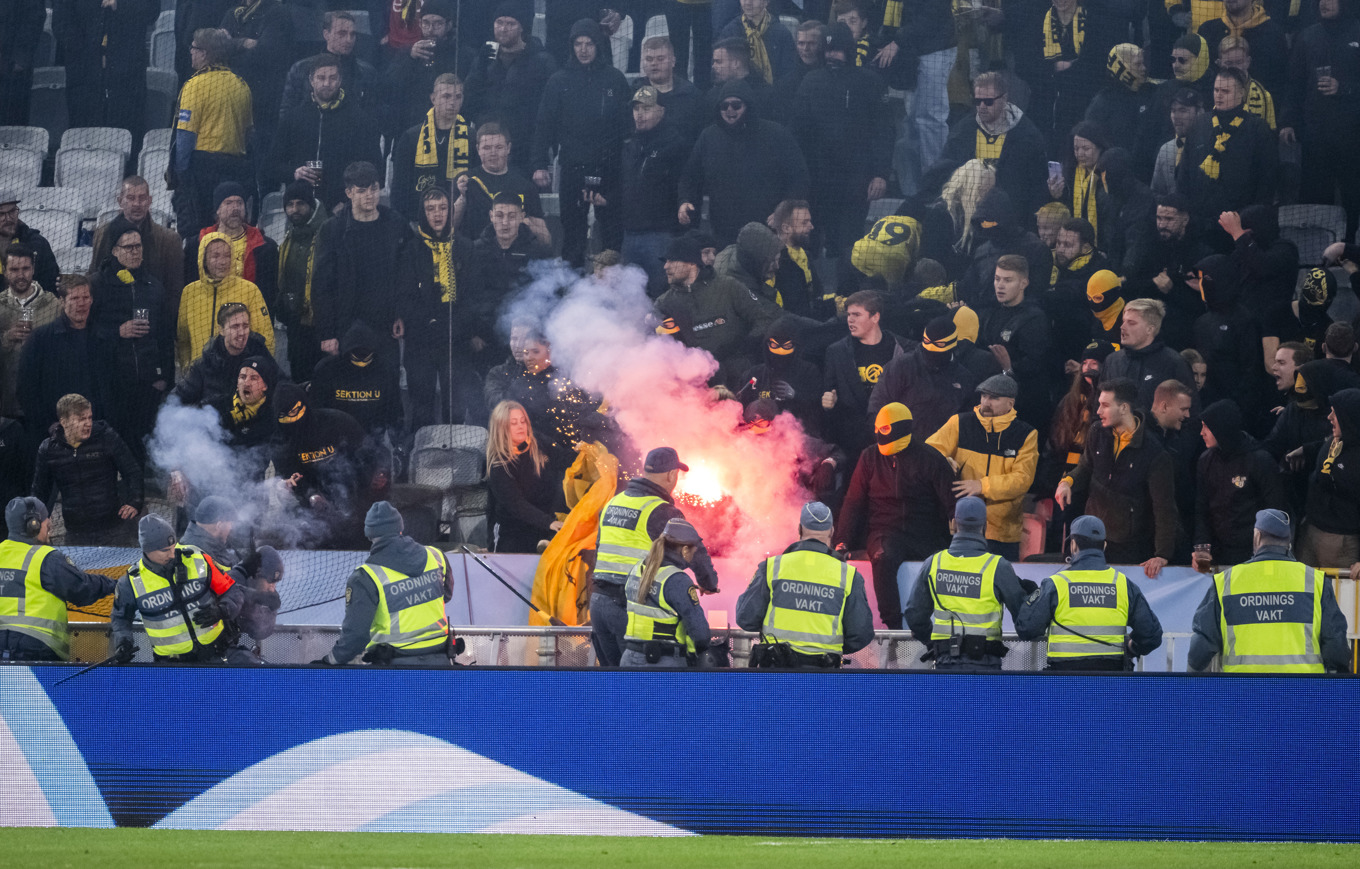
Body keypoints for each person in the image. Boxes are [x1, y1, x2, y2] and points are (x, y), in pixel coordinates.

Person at [591, 446, 720, 667]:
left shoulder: (613, 502)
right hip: (629, 607)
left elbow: (598, 550)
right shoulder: (660, 510)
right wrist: (708, 582)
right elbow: (694, 549)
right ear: (671, 475)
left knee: (614, 682)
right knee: (644, 684)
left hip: (598, 605)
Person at [835, 402, 956, 629]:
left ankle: (937, 625)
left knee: (943, 565)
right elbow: (853, 502)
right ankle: (894, 629)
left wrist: (959, 536)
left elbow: (952, 502)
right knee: (883, 558)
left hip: (925, 532)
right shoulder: (869, 457)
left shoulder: (930, 458)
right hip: (885, 531)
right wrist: (842, 541)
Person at [1188, 508, 1349, 673]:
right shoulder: (1315, 581)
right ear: (1289, 542)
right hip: (1303, 685)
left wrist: (1191, 674)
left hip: (1242, 686)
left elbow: (1201, 648)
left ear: (1257, 536)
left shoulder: (1226, 581)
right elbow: (1335, 643)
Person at [532, 18, 632, 268]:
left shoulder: (615, 80)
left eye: (589, 44)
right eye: (578, 44)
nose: (583, 49)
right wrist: (539, 164)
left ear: (598, 45)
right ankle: (572, 284)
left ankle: (613, 283)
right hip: (573, 169)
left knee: (612, 234)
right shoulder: (559, 81)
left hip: (610, 170)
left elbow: (627, 127)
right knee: (573, 234)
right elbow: (544, 125)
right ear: (571, 46)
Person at [1056, 378, 1178, 576]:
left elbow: (1164, 507)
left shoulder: (1154, 452)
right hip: (1091, 536)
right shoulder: (1096, 432)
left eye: (1105, 405)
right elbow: (1085, 467)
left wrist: (1162, 554)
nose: (1098, 411)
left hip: (1128, 545)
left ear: (1123, 408)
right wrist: (1067, 482)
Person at [791, 22, 891, 261]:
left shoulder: (870, 82)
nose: (831, 56)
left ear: (848, 50)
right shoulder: (810, 82)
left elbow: (885, 132)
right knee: (810, 242)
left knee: (848, 244)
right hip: (818, 179)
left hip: (856, 180)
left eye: (836, 50)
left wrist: (880, 174)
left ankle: (847, 284)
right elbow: (797, 132)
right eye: (827, 51)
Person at [1016, 515, 1164, 671]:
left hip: (1064, 679)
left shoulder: (1056, 584)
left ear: (1073, 545)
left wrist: (1030, 599)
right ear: (1104, 546)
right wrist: (1131, 649)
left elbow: (1026, 628)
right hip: (1112, 678)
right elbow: (1151, 635)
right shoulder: (1123, 584)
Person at [737, 501, 874, 667]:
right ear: (831, 531)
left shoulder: (772, 567)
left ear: (800, 529)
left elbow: (746, 618)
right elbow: (860, 634)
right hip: (824, 672)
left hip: (777, 670)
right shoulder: (849, 575)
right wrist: (830, 649)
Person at [316, 501, 454, 666]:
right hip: (441, 665)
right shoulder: (436, 556)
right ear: (400, 529)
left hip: (392, 671)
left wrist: (330, 660)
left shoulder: (365, 577)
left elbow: (356, 637)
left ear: (369, 535)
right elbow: (446, 596)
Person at [678, 80, 810, 246]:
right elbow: (690, 177)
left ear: (748, 105)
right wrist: (685, 200)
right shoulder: (708, 137)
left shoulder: (776, 135)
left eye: (736, 105)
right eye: (724, 106)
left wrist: (784, 211)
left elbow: (799, 177)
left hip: (769, 232)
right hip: (724, 234)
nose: (730, 110)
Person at [904, 495, 1027, 670]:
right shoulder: (998, 567)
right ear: (985, 526)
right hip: (986, 667)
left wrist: (934, 643)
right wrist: (1032, 598)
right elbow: (1024, 622)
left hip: (945, 664)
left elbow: (914, 616)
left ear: (953, 524)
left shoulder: (934, 563)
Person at [926, 375, 1039, 561]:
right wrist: (945, 461)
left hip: (1001, 533)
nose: (986, 402)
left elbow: (1022, 479)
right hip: (960, 528)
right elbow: (928, 454)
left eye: (994, 398)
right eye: (984, 396)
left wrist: (982, 486)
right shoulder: (959, 422)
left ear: (1010, 403)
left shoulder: (1026, 434)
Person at [109, 514, 248, 665]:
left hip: (218, 655)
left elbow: (233, 591)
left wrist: (222, 610)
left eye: (173, 547)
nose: (172, 554)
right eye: (165, 550)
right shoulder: (131, 582)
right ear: (147, 549)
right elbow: (121, 618)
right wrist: (123, 642)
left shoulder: (197, 559)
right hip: (172, 666)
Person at [312, 161, 414, 364]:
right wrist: (327, 333)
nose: (370, 195)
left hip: (385, 325)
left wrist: (401, 313)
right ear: (349, 193)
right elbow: (322, 285)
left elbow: (407, 274)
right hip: (346, 326)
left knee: (387, 381)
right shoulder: (332, 230)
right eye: (361, 190)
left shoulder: (396, 224)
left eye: (374, 189)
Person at [90, 221, 173, 461]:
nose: (135, 252)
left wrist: (164, 377)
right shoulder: (97, 285)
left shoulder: (154, 286)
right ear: (114, 251)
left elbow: (165, 336)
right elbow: (88, 330)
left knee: (142, 446)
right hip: (112, 382)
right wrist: (118, 331)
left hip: (147, 383)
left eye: (138, 246)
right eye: (128, 247)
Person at [0, 495, 119, 661]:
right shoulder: (45, 557)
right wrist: (114, 584)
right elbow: (82, 589)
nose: (49, 524)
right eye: (45, 521)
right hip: (36, 646)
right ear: (33, 525)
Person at [402, 186, 483, 428]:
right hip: (420, 340)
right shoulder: (410, 250)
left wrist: (455, 327)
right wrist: (428, 323)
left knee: (455, 406)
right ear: (422, 212)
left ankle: (456, 451)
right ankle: (421, 449)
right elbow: (404, 296)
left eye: (443, 208)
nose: (437, 214)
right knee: (421, 405)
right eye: (430, 209)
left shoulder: (466, 247)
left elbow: (473, 296)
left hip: (455, 339)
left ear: (450, 211)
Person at [653, 233, 780, 387]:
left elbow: (763, 320)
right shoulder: (664, 303)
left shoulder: (729, 287)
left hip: (737, 376)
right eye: (666, 261)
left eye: (672, 261)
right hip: (693, 383)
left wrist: (743, 349)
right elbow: (655, 346)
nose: (666, 266)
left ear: (692, 263)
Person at [1283, 0, 1360, 244]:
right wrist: (1288, 121)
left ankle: (1350, 250)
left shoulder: (1357, 32)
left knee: (1353, 198)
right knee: (1315, 198)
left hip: (1353, 138)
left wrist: (1344, 88)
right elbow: (1294, 84)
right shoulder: (1307, 36)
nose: (1324, 3)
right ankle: (1317, 252)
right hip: (1315, 137)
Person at [267, 53, 384, 215]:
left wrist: (347, 202)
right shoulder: (293, 118)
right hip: (301, 210)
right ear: (311, 80)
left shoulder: (360, 120)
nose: (327, 83)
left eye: (332, 78)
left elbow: (375, 169)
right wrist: (294, 172)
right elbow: (271, 166)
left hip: (342, 210)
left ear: (340, 80)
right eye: (321, 78)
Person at [272, 382, 379, 550]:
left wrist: (363, 489)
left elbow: (367, 454)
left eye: (295, 412)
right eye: (284, 416)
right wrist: (311, 495)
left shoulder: (337, 422)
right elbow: (292, 478)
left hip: (354, 498)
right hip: (311, 509)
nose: (292, 419)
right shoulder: (279, 442)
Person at [170, 28, 254, 240]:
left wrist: (181, 176)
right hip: (235, 168)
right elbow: (248, 132)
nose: (191, 52)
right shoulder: (242, 85)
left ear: (205, 53)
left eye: (194, 48)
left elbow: (185, 135)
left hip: (202, 170)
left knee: (199, 233)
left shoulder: (195, 85)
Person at [31, 393, 142, 546]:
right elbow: (40, 489)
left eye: (89, 417)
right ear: (64, 422)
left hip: (113, 528)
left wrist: (135, 501)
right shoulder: (49, 448)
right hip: (76, 531)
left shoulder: (107, 437)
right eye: (81, 419)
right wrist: (38, 518)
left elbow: (132, 471)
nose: (88, 423)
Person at [54, 0, 157, 165]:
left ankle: (127, 176)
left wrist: (120, 5)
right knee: (83, 132)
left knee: (127, 130)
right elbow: (61, 23)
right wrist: (93, 53)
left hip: (127, 74)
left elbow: (151, 11)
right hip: (84, 73)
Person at [462, 1, 558, 177]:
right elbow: (468, 103)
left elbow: (548, 112)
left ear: (522, 27)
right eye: (499, 22)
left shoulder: (542, 61)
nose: (503, 29)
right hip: (488, 147)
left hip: (525, 151)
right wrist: (479, 70)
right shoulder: (484, 59)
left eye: (510, 23)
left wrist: (540, 158)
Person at [1178, 68, 1278, 235]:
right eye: (1216, 90)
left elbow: (1267, 180)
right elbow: (1184, 172)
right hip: (1200, 222)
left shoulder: (1258, 129)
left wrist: (1252, 218)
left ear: (1241, 94)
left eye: (1225, 91)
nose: (1219, 95)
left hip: (1241, 223)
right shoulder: (1200, 124)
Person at [936, 72, 1048, 220]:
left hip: (1011, 217)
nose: (982, 106)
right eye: (977, 101)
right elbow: (945, 172)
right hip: (966, 215)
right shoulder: (962, 132)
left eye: (988, 102)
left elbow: (1037, 187)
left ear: (1004, 99)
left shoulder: (1028, 136)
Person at [1193, 400, 1286, 571]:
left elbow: (1275, 510)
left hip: (1253, 555)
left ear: (1221, 428)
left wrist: (1268, 552)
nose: (1201, 432)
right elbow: (1201, 509)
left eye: (1206, 427)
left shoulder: (1260, 460)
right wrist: (1202, 547)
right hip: (1218, 553)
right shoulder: (1205, 460)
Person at [17, 278, 113, 438]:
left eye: (85, 297)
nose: (81, 303)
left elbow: (115, 385)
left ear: (92, 300)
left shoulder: (104, 338)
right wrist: (48, 424)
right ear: (62, 301)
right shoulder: (40, 339)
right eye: (74, 298)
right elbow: (26, 388)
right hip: (55, 432)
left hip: (97, 430)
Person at [620, 86, 689, 297]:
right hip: (629, 233)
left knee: (662, 296)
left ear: (661, 110)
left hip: (660, 234)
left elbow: (685, 181)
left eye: (646, 109)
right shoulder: (630, 144)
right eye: (636, 109)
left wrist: (684, 201)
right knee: (629, 298)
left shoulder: (675, 144)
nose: (639, 115)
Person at [867, 315, 981, 440]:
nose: (931, 350)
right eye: (927, 342)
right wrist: (886, 440)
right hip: (902, 445)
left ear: (952, 344)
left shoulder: (964, 378)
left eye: (939, 344)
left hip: (943, 447)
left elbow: (968, 420)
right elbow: (877, 407)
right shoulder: (901, 367)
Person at [619, 517, 713, 668]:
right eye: (693, 552)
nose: (692, 558)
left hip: (629, 658)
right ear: (684, 550)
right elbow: (700, 633)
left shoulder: (637, 569)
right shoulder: (677, 579)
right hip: (665, 662)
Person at [177, 235, 275, 372]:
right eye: (215, 256)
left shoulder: (249, 290)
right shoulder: (190, 292)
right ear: (203, 259)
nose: (223, 262)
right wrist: (187, 368)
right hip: (201, 375)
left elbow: (265, 338)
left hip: (238, 374)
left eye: (227, 256)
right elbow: (183, 339)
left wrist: (255, 371)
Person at [485, 399, 564, 554]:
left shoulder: (539, 443)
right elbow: (516, 504)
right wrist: (549, 522)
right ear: (501, 428)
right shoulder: (498, 465)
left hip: (543, 527)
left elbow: (563, 459)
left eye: (523, 421)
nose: (520, 426)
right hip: (512, 533)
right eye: (513, 423)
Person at [186, 182, 279, 312]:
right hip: (207, 313)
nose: (235, 208)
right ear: (217, 210)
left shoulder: (265, 247)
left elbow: (269, 294)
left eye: (239, 202)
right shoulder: (197, 245)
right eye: (228, 203)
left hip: (249, 315)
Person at [391, 73, 470, 223]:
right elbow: (399, 189)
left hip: (459, 222)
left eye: (458, 97)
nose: (452, 102)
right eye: (446, 96)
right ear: (433, 98)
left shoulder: (471, 137)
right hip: (417, 220)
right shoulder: (411, 137)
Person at [454, 123, 550, 244]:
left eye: (498, 147)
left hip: (516, 253)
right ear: (478, 149)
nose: (493, 153)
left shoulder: (525, 185)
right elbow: (448, 229)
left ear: (508, 148)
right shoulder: (465, 181)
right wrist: (462, 198)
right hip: (475, 252)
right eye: (487, 148)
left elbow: (546, 241)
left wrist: (527, 222)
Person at [1298, 387, 1360, 569]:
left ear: (1349, 418)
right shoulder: (1335, 441)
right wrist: (1306, 450)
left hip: (1342, 542)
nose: (1329, 417)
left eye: (1335, 413)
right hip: (1311, 531)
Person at [1102, 298, 1198, 413]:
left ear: (1150, 329)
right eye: (1123, 321)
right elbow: (1099, 408)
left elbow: (1191, 411)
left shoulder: (1174, 363)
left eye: (1131, 323)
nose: (1122, 327)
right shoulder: (1112, 361)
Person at [0, 245, 62, 421]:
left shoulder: (53, 305)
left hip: (45, 405)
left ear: (33, 269)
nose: (21, 275)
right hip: (7, 405)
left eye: (26, 268)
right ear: (5, 271)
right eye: (14, 269)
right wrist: (7, 338)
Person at [173, 301, 273, 408]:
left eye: (245, 326)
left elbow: (278, 387)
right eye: (235, 327)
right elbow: (176, 399)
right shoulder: (204, 365)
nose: (241, 332)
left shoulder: (261, 355)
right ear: (221, 330)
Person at [280, 11, 376, 117]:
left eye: (352, 34)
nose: (349, 40)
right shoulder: (301, 69)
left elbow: (373, 114)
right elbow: (287, 113)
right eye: (342, 33)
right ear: (326, 34)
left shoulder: (366, 73)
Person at [276, 180, 326, 380]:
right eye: (290, 204)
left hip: (321, 323)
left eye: (300, 204)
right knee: (299, 378)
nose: (294, 209)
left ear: (311, 206)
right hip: (296, 321)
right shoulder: (290, 235)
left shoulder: (327, 233)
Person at [631, 35, 705, 142]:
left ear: (673, 61)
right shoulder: (634, 92)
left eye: (660, 59)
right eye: (649, 59)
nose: (654, 63)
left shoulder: (691, 95)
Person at [718, 0, 796, 84]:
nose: (747, 2)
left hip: (774, 90)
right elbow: (722, 70)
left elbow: (789, 74)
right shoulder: (730, 32)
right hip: (738, 89)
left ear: (766, 2)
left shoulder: (782, 33)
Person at [0, 192, 58, 297]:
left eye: (12, 211)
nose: (8, 218)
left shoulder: (38, 243)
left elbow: (51, 284)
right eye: (1, 214)